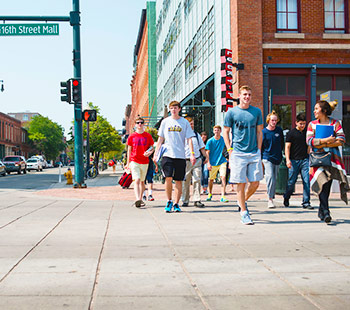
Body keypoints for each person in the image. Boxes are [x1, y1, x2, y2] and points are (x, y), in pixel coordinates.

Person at [223, 85, 263, 225]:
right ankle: (244, 213)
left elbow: (259, 132)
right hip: (238, 152)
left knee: (255, 182)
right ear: (239, 96)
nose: (247, 97)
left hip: (253, 152)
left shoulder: (257, 112)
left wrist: (258, 149)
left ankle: (242, 201)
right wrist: (229, 149)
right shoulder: (232, 112)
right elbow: (226, 132)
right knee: (241, 182)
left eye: (249, 95)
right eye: (245, 94)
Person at [307, 100, 349, 224]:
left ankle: (321, 210)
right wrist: (327, 140)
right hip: (317, 158)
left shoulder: (335, 123)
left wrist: (321, 142)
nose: (314, 111)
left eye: (316, 109)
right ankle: (326, 212)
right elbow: (309, 141)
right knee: (322, 183)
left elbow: (341, 140)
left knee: (327, 185)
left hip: (331, 159)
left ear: (324, 111)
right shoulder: (312, 124)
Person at [153, 101, 196, 213]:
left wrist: (192, 154)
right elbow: (160, 139)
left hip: (180, 155)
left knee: (178, 180)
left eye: (175, 108)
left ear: (179, 109)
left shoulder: (184, 122)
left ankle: (176, 203)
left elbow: (189, 139)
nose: (173, 110)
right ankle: (169, 200)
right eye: (171, 108)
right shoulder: (165, 122)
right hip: (168, 154)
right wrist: (156, 154)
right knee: (168, 177)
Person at [283, 113, 312, 209]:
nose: (302, 126)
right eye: (300, 124)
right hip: (294, 160)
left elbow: (309, 145)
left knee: (306, 180)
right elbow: (287, 147)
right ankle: (286, 197)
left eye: (304, 124)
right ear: (296, 123)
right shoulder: (291, 133)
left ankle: (306, 202)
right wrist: (287, 160)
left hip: (305, 160)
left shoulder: (307, 133)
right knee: (291, 182)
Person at [126, 117, 154, 208]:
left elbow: (152, 147)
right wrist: (128, 162)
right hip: (134, 161)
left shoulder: (148, 136)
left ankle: (141, 198)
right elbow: (129, 150)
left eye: (141, 122)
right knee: (137, 180)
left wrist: (149, 152)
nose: (140, 124)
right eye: (138, 123)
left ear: (143, 124)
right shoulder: (132, 136)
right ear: (135, 124)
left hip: (145, 161)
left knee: (142, 181)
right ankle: (137, 199)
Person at [182, 117, 208, 208]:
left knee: (197, 179)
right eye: (189, 124)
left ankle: (197, 199)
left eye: (192, 123)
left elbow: (202, 147)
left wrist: (206, 157)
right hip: (186, 160)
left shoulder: (196, 135)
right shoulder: (182, 135)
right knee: (186, 181)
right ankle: (185, 199)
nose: (191, 125)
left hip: (197, 160)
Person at [261, 110, 284, 208]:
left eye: (275, 120)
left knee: (274, 178)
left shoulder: (279, 131)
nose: (274, 122)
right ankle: (270, 199)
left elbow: (282, 143)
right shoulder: (264, 132)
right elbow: (261, 146)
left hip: (277, 157)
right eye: (272, 120)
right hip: (267, 157)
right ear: (268, 121)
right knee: (270, 177)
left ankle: (272, 195)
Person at [205, 125, 229, 203]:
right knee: (211, 179)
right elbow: (207, 152)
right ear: (213, 131)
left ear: (220, 131)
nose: (216, 131)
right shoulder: (210, 141)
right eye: (215, 130)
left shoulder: (223, 139)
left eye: (218, 130)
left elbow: (228, 148)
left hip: (222, 161)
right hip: (213, 162)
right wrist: (208, 163)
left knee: (223, 177)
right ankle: (210, 193)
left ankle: (222, 195)